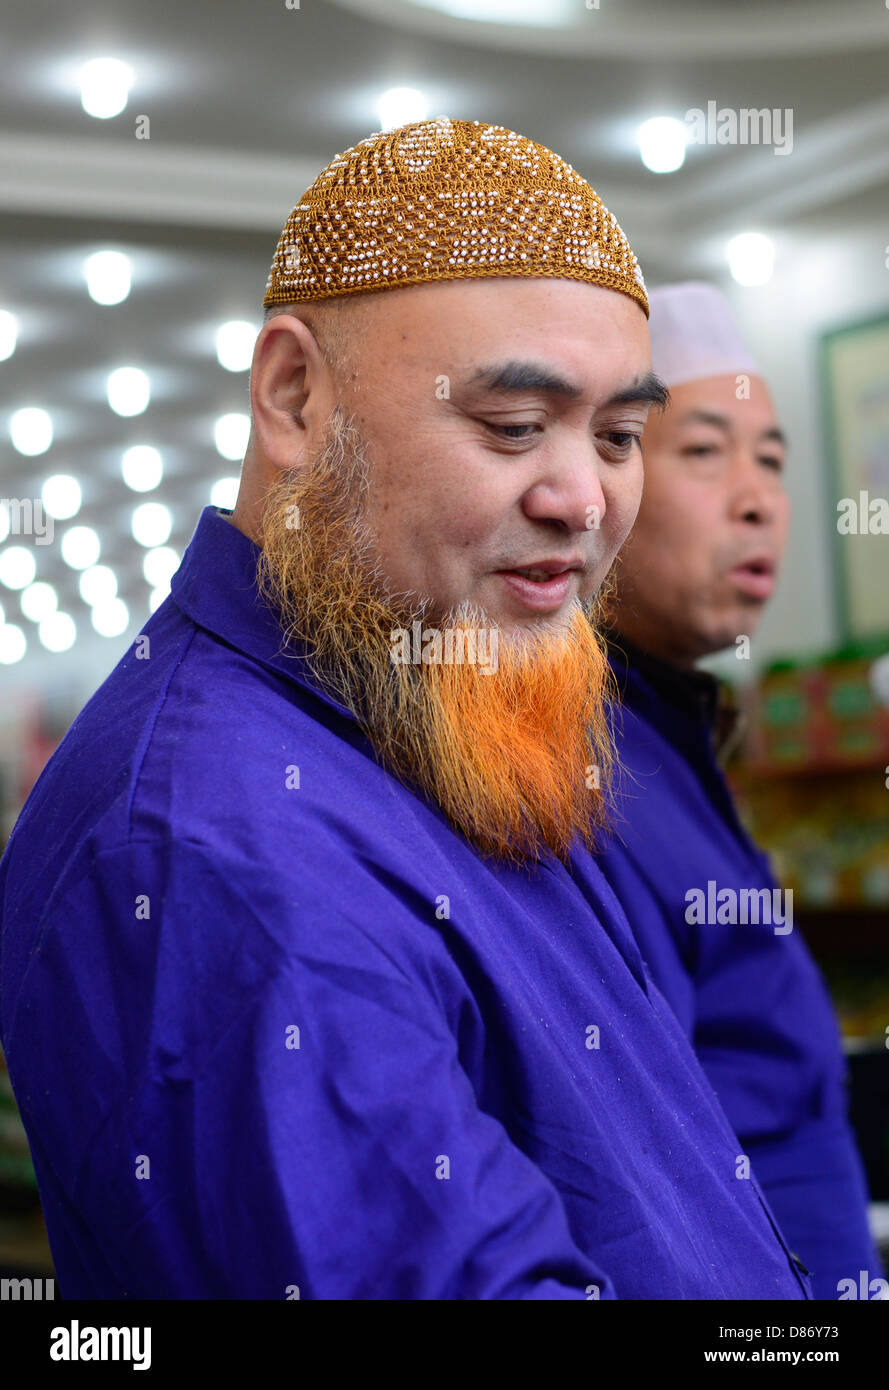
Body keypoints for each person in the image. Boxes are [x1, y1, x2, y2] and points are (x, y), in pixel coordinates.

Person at [0, 120, 811, 1300]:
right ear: (292, 395)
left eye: (622, 436)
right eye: (513, 426)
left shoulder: (451, 710)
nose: (583, 497)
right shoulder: (208, 848)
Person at [597, 280, 882, 1300]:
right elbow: (632, 1181)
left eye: (771, 459)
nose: (757, 497)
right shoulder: (581, 781)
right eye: (705, 451)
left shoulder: (678, 740)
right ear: (606, 479)